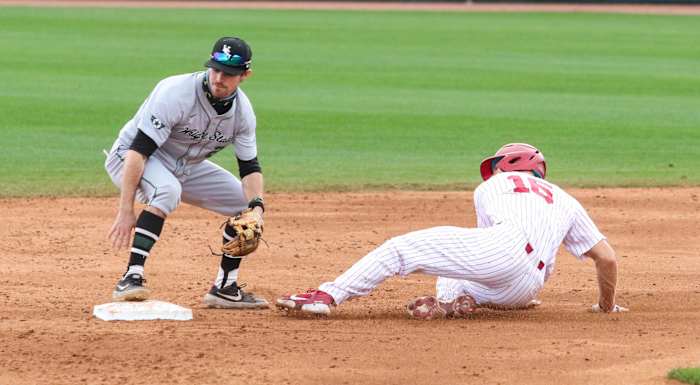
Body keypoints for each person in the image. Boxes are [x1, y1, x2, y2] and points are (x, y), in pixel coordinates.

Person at [276, 143, 628, 318]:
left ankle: (327, 296)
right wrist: (606, 306)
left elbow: (482, 253)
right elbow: (607, 259)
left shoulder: (492, 187)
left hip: (501, 253)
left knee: (401, 249)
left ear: (507, 165)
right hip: (527, 288)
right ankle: (457, 302)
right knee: (468, 274)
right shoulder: (566, 199)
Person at [104, 36, 268, 309]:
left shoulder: (243, 114)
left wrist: (257, 208)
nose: (219, 78)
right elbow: (139, 150)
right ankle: (131, 277)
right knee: (167, 190)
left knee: (244, 205)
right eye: (215, 69)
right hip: (131, 157)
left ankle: (225, 287)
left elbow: (249, 167)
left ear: (245, 75)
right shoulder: (175, 92)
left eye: (228, 74)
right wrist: (126, 209)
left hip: (185, 167)